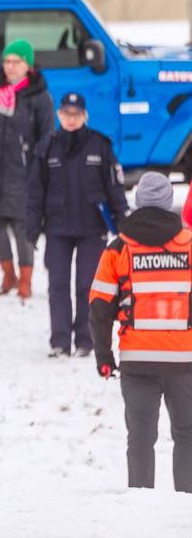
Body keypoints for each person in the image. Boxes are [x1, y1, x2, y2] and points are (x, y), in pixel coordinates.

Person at [89, 172, 192, 492]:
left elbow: (99, 308)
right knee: (188, 436)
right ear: (167, 203)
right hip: (185, 360)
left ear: (138, 202)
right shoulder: (189, 244)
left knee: (141, 439)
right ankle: (186, 507)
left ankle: (140, 507)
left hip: (137, 362)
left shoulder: (118, 249)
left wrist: (104, 357)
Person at [29, 92, 128, 358]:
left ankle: (86, 340)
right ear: (59, 115)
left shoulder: (100, 145)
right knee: (58, 284)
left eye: (76, 115)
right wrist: (30, 228)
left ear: (84, 117)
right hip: (57, 228)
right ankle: (60, 341)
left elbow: (114, 190)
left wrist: (123, 226)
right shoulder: (46, 147)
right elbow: (35, 192)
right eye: (66, 114)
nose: (71, 119)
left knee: (87, 285)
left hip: (91, 228)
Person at [0, 39, 54, 300]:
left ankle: (26, 280)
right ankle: (8, 274)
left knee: (23, 227)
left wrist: (38, 167)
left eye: (16, 62)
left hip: (23, 172)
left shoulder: (40, 97)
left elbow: (47, 136)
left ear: (28, 66)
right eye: (7, 61)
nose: (9, 66)